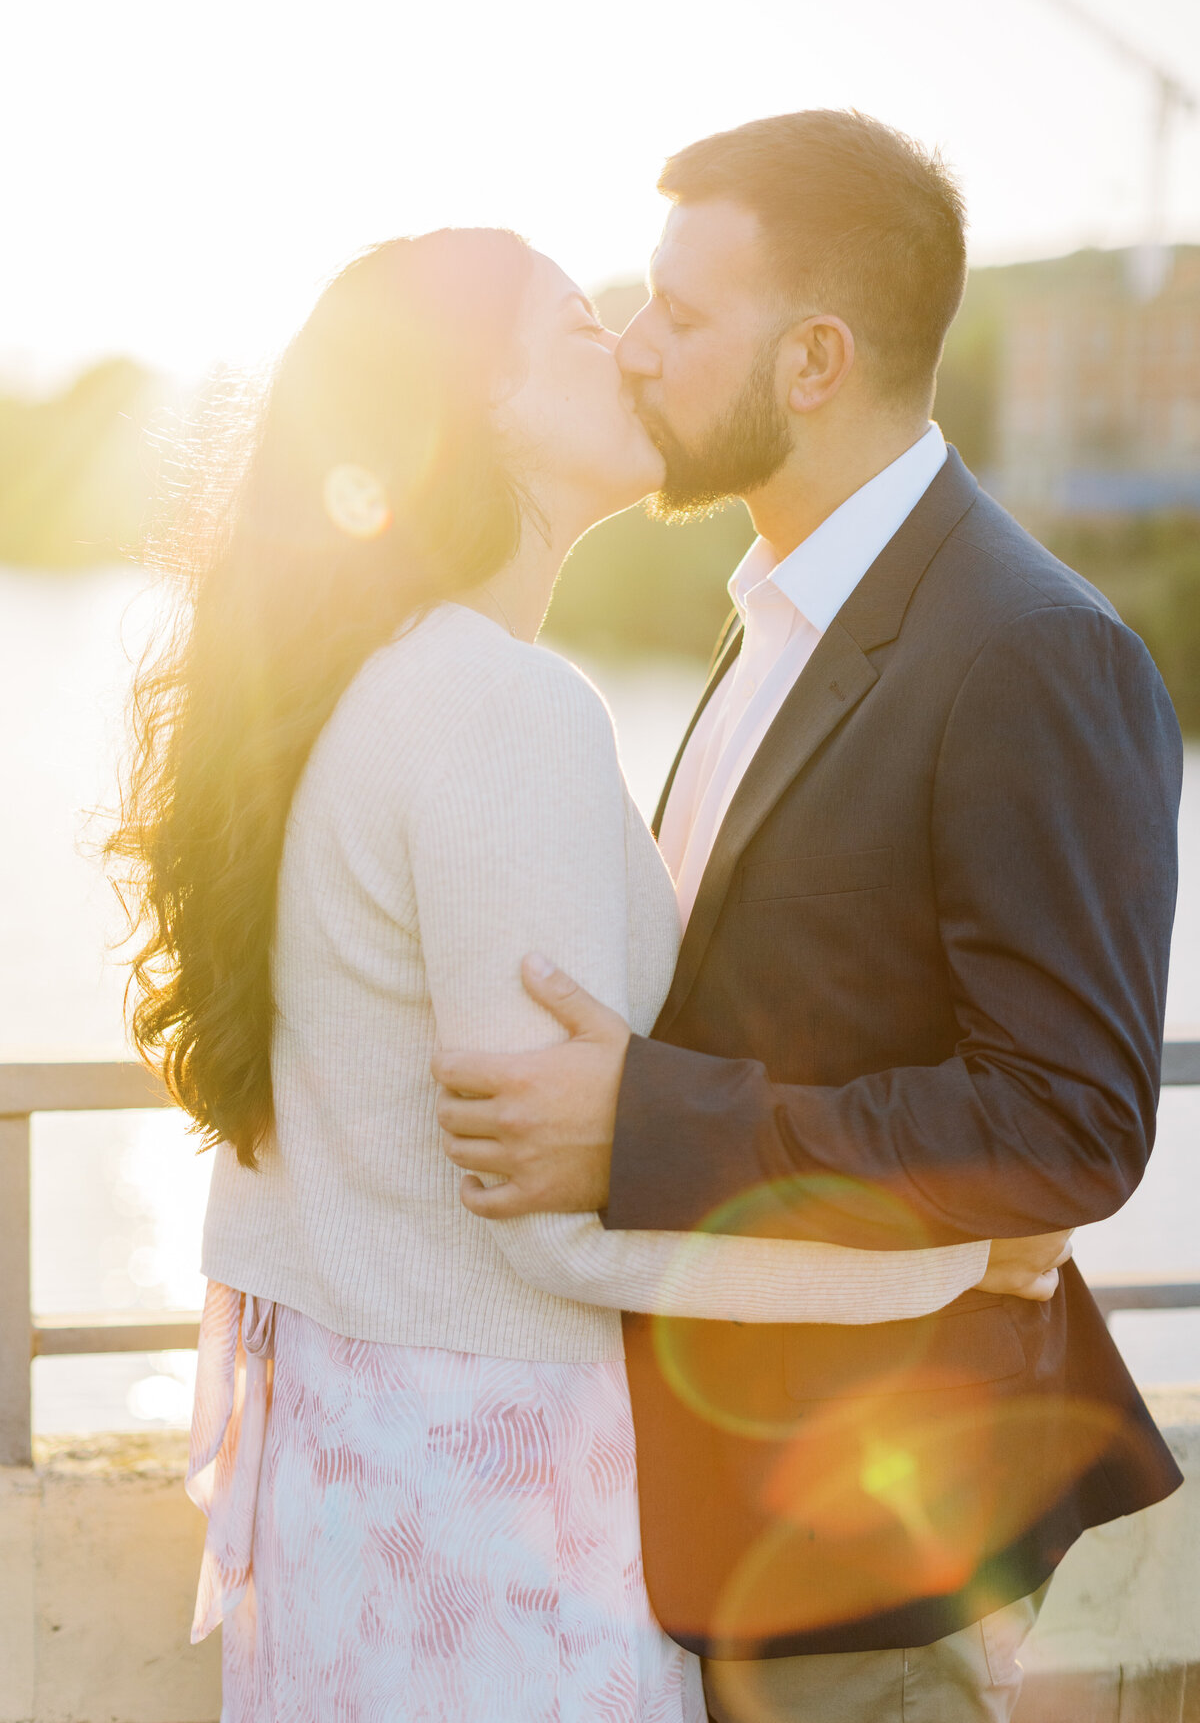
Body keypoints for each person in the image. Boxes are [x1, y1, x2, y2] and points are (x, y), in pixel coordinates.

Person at [107, 225, 1066, 1722]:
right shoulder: (498, 705)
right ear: (472, 410)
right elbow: (559, 1226)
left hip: (349, 1487)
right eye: (576, 324)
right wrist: (950, 1263)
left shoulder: (363, 684)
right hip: (492, 1503)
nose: (626, 342)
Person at [433, 113, 1185, 1723]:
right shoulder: (780, 611)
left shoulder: (1031, 652)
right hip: (712, 1523)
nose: (633, 351)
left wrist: (646, 1121)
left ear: (815, 359)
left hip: (864, 1552)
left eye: (681, 317)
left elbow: (1070, 1123)